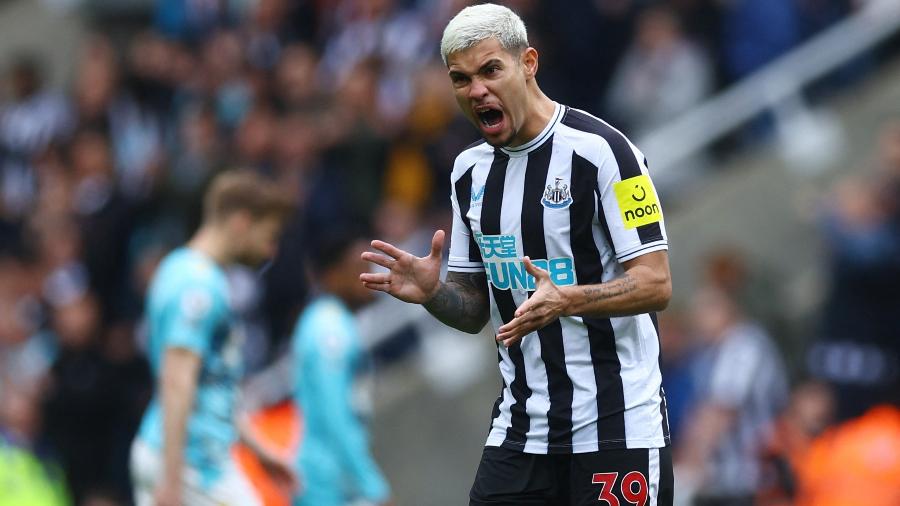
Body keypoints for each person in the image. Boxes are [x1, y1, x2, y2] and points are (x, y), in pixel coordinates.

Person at [360, 4, 674, 504]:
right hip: (523, 429)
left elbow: (656, 283)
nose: (476, 90)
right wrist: (432, 292)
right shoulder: (468, 173)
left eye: (490, 70)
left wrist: (569, 299)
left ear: (528, 63)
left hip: (617, 424)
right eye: (461, 79)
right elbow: (471, 310)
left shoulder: (605, 152)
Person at [130, 170, 297, 506]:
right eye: (270, 235)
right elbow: (177, 381)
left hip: (186, 457)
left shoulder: (181, 268)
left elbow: (210, 385)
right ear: (241, 221)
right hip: (194, 466)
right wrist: (172, 481)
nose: (272, 250)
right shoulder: (198, 288)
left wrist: (259, 450)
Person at [292, 230, 393, 506]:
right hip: (326, 485)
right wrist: (373, 486)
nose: (370, 277)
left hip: (336, 481)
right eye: (360, 269)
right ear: (333, 274)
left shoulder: (333, 321)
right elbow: (335, 413)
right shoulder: (329, 329)